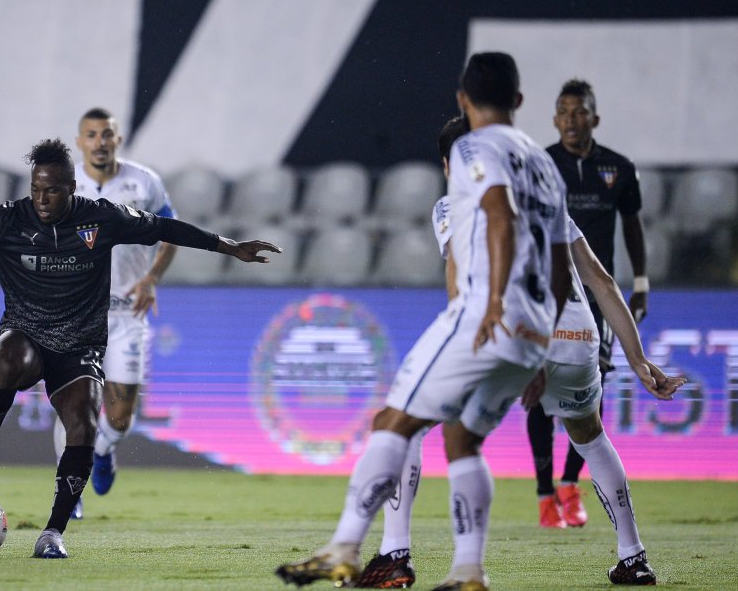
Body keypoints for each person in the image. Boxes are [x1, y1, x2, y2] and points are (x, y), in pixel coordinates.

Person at [0, 138, 280, 559]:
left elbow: (163, 226)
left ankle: (53, 532)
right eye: (36, 188)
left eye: (52, 189)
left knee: (85, 423)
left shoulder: (102, 218)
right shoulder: (6, 219)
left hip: (79, 345)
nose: (42, 198)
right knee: (9, 357)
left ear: (71, 188)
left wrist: (229, 246)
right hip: (26, 331)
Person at [277, 52, 572, 591]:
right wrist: (540, 346)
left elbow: (500, 217)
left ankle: (344, 547)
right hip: (532, 331)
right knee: (462, 441)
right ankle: (468, 572)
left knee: (392, 422)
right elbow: (560, 265)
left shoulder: (472, 147)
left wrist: (491, 307)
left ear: (464, 100)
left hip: (486, 312)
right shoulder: (545, 163)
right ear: (520, 100)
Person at [350, 117, 684, 589]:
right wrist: (637, 359)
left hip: (515, 333)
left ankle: (396, 556)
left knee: (404, 423)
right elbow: (603, 282)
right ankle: (634, 556)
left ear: (449, 164)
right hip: (580, 340)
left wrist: (517, 351)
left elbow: (470, 280)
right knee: (590, 436)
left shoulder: (453, 204)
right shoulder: (548, 198)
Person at [531, 79, 649, 528]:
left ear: (594, 118)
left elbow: (632, 226)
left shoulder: (619, 168)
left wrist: (641, 281)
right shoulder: (541, 166)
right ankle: (545, 495)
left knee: (591, 392)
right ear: (554, 119)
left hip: (596, 295)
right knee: (538, 394)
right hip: (549, 295)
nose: (571, 119)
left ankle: (568, 483)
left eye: (580, 111)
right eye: (563, 111)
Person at [50, 107, 178, 518]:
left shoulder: (144, 182)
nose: (100, 141)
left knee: (119, 417)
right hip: (77, 315)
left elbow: (171, 233)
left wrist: (153, 277)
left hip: (127, 315)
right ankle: (69, 490)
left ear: (117, 139)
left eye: (107, 134)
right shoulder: (64, 187)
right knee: (73, 404)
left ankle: (102, 450)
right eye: (91, 134)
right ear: (79, 142)